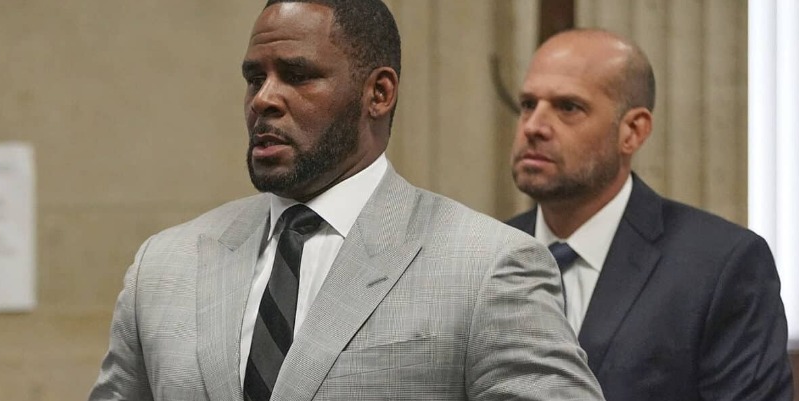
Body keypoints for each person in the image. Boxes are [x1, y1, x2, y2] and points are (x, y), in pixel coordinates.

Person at [89, 1, 605, 400]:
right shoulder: (164, 266)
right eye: (254, 78)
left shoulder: (487, 266)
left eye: (297, 75)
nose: (264, 99)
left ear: (378, 93)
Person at [505, 28, 794, 401]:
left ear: (632, 131)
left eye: (568, 108)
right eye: (528, 104)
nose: (533, 127)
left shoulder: (720, 266)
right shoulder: (487, 254)